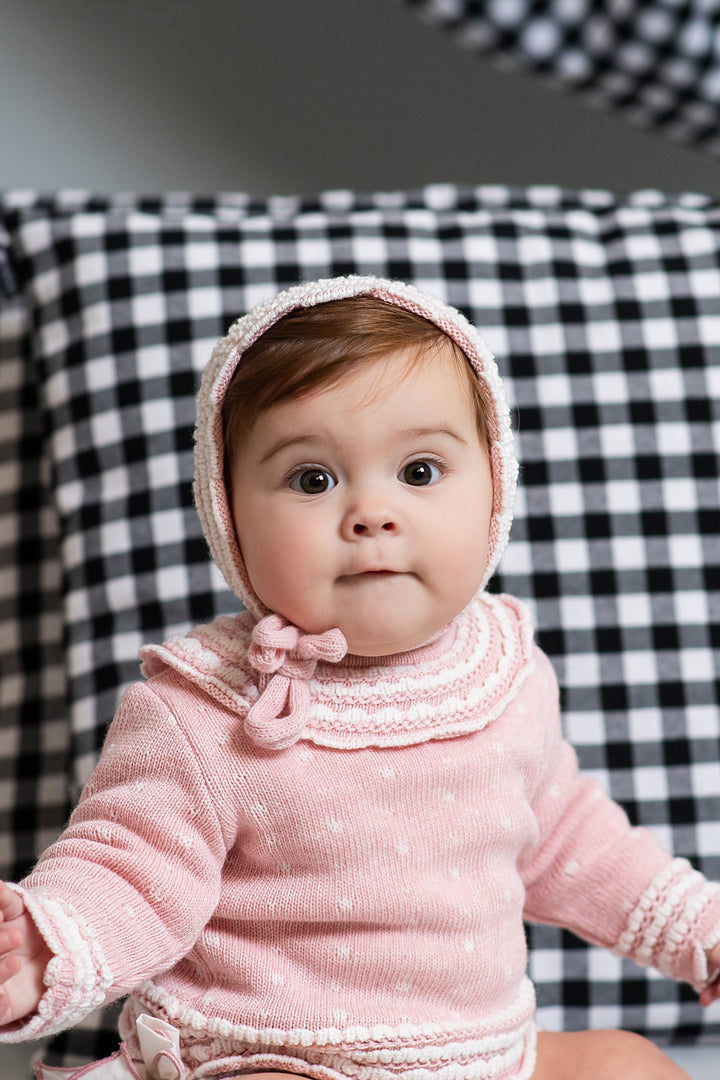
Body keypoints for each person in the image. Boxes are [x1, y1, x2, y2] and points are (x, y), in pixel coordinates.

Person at [0, 276, 718, 1080]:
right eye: (313, 480)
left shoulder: (505, 673)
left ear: (494, 488)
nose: (372, 513)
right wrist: (48, 939)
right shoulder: (201, 708)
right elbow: (131, 870)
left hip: (480, 1057)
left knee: (627, 1065)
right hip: (271, 1057)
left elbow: (569, 840)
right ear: (228, 516)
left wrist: (697, 926)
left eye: (419, 471)